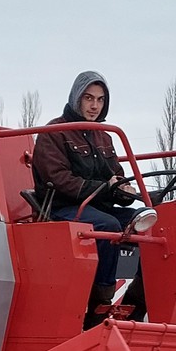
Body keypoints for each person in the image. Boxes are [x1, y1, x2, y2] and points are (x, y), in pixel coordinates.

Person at [32, 71, 142, 327]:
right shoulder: (54, 133)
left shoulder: (104, 136)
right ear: (76, 98)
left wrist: (126, 194)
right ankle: (98, 307)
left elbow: (116, 177)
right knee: (108, 226)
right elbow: (59, 180)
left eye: (101, 100)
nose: (94, 106)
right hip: (63, 208)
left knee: (150, 222)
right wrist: (105, 188)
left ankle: (138, 304)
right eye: (88, 98)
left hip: (98, 207)